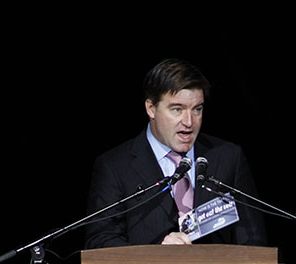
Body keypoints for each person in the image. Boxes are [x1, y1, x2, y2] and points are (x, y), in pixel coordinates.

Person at [84, 58, 267, 249]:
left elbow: (253, 242)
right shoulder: (115, 166)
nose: (189, 121)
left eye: (197, 109)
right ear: (151, 108)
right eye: (177, 109)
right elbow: (100, 242)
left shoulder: (228, 157)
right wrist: (156, 255)